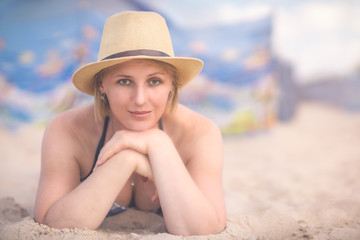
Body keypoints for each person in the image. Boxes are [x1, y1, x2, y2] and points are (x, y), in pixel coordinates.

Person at [34, 11, 226, 236]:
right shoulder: (68, 130)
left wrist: (159, 143)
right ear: (102, 85)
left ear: (172, 85)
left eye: (154, 81)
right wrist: (126, 159)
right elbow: (50, 225)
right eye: (124, 81)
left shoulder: (199, 133)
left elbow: (204, 230)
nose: (140, 99)